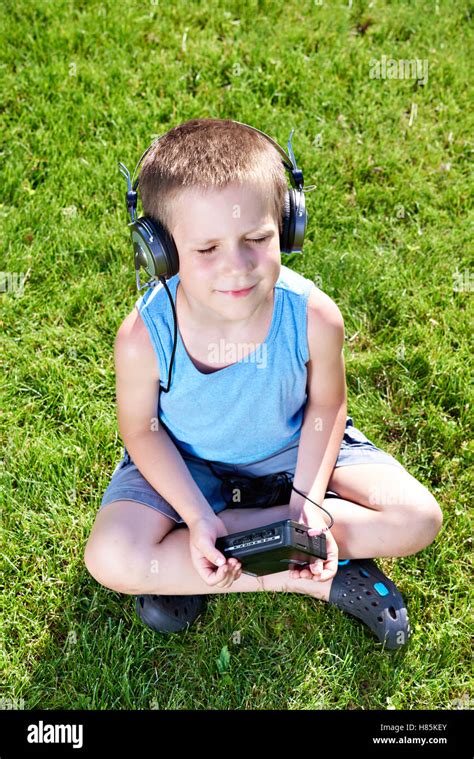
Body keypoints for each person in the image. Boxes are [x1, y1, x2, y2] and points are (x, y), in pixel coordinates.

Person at [84, 118, 443, 649]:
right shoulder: (144, 335)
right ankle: (311, 574)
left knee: (418, 518)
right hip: (189, 465)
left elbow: (327, 404)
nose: (238, 267)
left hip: (295, 451)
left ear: (288, 226)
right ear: (158, 250)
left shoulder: (313, 316)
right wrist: (197, 515)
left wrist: (309, 502)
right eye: (206, 250)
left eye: (256, 238)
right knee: (109, 557)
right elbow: (142, 431)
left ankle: (203, 559)